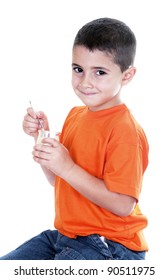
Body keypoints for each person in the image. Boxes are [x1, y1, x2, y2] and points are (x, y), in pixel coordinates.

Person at [0, 17, 149, 260]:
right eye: (78, 69)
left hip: (110, 244)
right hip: (66, 236)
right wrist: (42, 139)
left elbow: (124, 205)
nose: (85, 82)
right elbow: (59, 181)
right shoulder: (75, 115)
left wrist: (67, 167)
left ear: (127, 75)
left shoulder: (125, 131)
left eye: (99, 72)